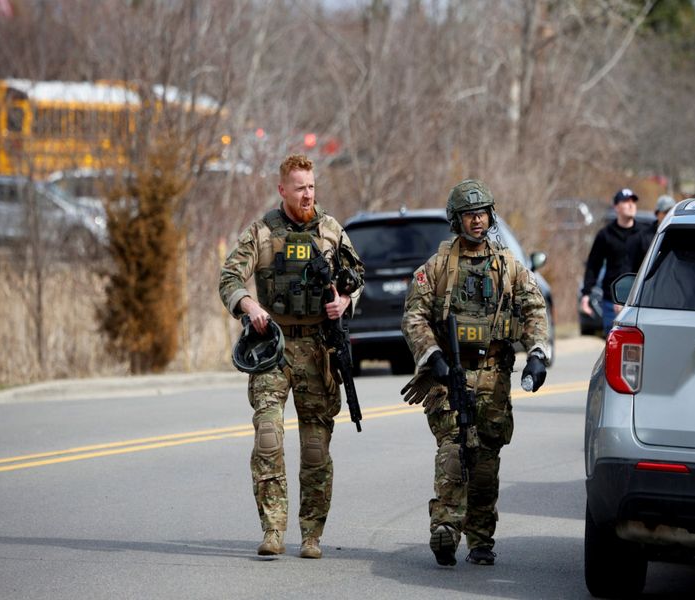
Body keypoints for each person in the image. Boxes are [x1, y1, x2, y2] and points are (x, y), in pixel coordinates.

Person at [218, 154, 364, 559]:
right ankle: (273, 529)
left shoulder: (331, 231)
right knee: (268, 437)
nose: (307, 194)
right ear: (282, 189)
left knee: (315, 447)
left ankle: (312, 534)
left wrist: (345, 301)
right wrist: (249, 306)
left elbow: (357, 277)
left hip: (318, 348)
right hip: (274, 346)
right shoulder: (263, 232)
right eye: (300, 188)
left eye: (311, 186)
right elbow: (229, 277)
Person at [401, 179, 550, 567]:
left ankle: (481, 539)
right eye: (469, 215)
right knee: (453, 449)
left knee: (485, 461)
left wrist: (537, 353)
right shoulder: (436, 267)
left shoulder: (509, 266)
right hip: (449, 375)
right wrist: (432, 355)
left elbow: (534, 310)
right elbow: (414, 316)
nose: (477, 221)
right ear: (456, 220)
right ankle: (445, 528)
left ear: (491, 216)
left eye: (482, 213)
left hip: (493, 376)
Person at [580, 187, 641, 338]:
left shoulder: (644, 234)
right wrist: (586, 294)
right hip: (611, 302)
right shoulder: (605, 235)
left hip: (639, 301)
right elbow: (593, 265)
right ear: (616, 207)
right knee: (613, 342)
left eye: (633, 201)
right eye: (626, 201)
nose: (631, 205)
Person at [628, 194, 676, 272]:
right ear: (657, 213)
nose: (669, 215)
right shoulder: (643, 237)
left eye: (672, 211)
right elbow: (633, 266)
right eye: (666, 212)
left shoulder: (681, 236)